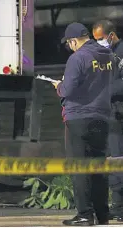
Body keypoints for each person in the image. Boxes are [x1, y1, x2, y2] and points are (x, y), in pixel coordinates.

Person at [52, 22, 115, 226]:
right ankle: (102, 214)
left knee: (79, 167)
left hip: (79, 117)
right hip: (102, 118)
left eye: (69, 43)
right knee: (98, 167)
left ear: (73, 41)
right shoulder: (109, 56)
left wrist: (59, 86)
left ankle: (84, 214)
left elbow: (67, 90)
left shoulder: (77, 58)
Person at [93, 19, 123, 222]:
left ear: (111, 35)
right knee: (115, 158)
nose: (99, 43)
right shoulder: (105, 55)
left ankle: (120, 207)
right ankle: (119, 206)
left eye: (101, 39)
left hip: (118, 111)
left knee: (118, 158)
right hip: (112, 113)